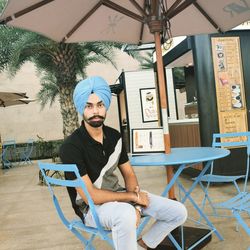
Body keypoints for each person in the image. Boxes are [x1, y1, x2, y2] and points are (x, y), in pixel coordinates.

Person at [59, 76, 187, 250]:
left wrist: (135, 203)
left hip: (120, 197)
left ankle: (142, 246)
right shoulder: (71, 146)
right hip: (91, 209)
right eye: (89, 106)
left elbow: (129, 174)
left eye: (100, 105)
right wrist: (133, 199)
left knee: (178, 212)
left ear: (106, 107)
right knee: (126, 214)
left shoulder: (115, 137)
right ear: (81, 108)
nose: (95, 111)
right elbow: (92, 197)